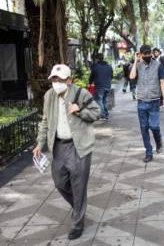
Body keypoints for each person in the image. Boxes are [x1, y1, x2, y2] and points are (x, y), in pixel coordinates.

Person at [33, 64, 100, 240]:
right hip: (58, 146)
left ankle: (77, 223)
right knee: (60, 182)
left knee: (79, 186)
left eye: (60, 80)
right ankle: (79, 207)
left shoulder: (80, 94)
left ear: (69, 80)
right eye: (53, 79)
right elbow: (45, 121)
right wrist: (39, 143)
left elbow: (96, 113)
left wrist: (80, 111)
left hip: (79, 146)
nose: (56, 83)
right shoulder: (49, 96)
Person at [129, 44, 164, 163]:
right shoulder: (138, 66)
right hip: (141, 101)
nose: (148, 56)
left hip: (154, 101)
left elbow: (162, 82)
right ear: (140, 54)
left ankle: (158, 141)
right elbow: (132, 77)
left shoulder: (158, 65)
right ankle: (149, 152)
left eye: (149, 53)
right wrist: (136, 61)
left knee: (154, 126)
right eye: (145, 54)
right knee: (144, 128)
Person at [89, 53, 113, 120]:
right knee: (104, 100)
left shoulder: (95, 66)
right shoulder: (109, 66)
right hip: (108, 86)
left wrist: (90, 83)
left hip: (99, 86)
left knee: (99, 100)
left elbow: (92, 76)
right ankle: (106, 114)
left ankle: (103, 115)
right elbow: (111, 76)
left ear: (97, 59)